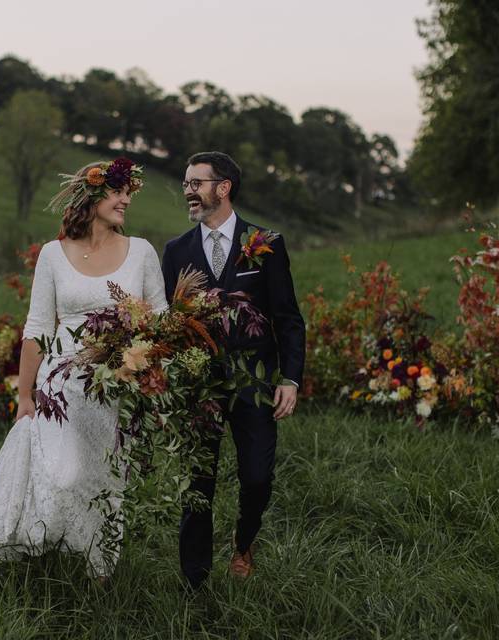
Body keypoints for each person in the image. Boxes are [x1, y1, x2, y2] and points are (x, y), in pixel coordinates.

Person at [0, 158, 167, 578]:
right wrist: (24, 395)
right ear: (92, 195)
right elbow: (38, 327)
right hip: (60, 385)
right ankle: (50, 546)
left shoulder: (142, 252)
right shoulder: (53, 255)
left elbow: (160, 317)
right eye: (117, 192)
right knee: (64, 474)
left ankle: (97, 570)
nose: (125, 201)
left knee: (103, 477)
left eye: (128, 194)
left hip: (117, 383)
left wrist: (140, 358)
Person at [161, 151, 306, 588]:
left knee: (258, 476)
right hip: (198, 384)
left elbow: (288, 317)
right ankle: (194, 577)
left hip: (256, 382)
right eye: (186, 183)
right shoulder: (176, 251)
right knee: (197, 482)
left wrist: (291, 378)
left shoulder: (265, 244)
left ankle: (244, 542)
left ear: (223, 188)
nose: (188, 190)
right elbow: (168, 322)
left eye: (196, 183)